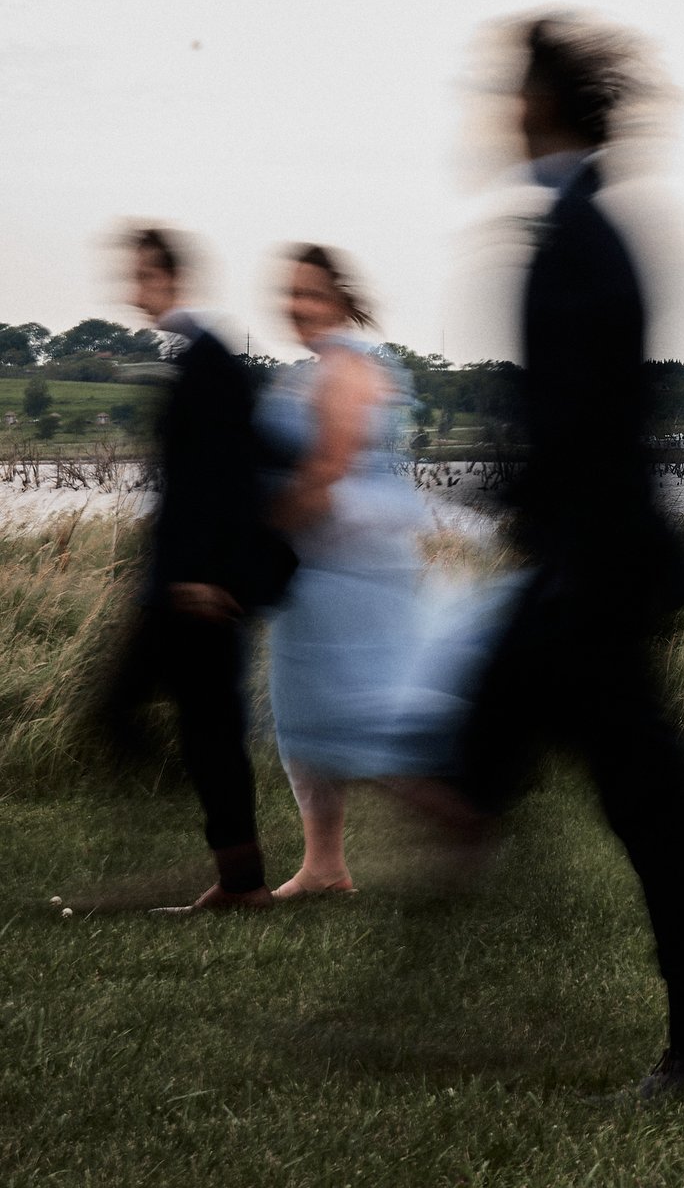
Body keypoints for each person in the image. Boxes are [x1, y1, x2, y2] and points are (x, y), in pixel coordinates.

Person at [446, 12, 684, 1099]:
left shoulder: (577, 233)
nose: (494, 113)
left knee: (619, 805)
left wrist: (523, 496)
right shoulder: (581, 224)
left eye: (506, 93)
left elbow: (582, 420)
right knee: (599, 798)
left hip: (594, 576)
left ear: (541, 106)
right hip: (589, 569)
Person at [100, 224, 295, 913]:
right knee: (208, 728)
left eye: (143, 275)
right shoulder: (205, 358)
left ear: (170, 278)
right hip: (196, 580)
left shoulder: (208, 361)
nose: (133, 290)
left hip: (197, 585)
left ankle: (228, 868)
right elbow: (259, 455)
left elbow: (223, 480)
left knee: (123, 709)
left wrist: (207, 574)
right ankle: (241, 881)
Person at [255, 244, 438, 898]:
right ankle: (323, 864)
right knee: (305, 716)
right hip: (324, 563)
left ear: (338, 298)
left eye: (309, 292)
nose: (296, 305)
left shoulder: (346, 371)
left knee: (343, 718)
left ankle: (464, 821)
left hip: (346, 566)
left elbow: (329, 470)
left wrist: (261, 529)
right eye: (290, 292)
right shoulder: (320, 370)